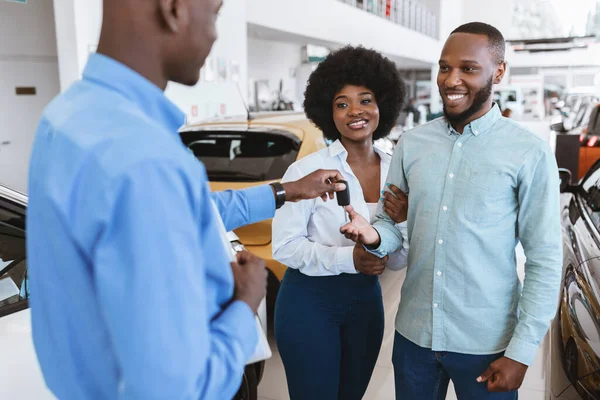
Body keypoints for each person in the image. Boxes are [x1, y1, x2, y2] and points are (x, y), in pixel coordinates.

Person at [26, 1, 347, 399]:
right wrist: (244, 305)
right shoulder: (146, 157)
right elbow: (177, 388)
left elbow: (200, 211)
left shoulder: (65, 117)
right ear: (174, 8)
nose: (214, 34)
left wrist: (286, 190)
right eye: (214, 13)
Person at [341, 22, 562, 399]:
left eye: (468, 69)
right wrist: (373, 235)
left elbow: (544, 259)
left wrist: (522, 353)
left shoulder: (528, 152)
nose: (451, 80)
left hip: (487, 344)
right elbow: (391, 223)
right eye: (445, 67)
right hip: (414, 337)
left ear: (499, 72)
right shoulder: (412, 144)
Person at [271, 46, 409, 400]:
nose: (355, 112)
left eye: (365, 100)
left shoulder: (399, 170)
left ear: (383, 105)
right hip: (309, 302)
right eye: (341, 104)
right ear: (327, 112)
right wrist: (349, 259)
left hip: (365, 303)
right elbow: (284, 246)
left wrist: (387, 242)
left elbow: (400, 256)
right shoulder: (306, 171)